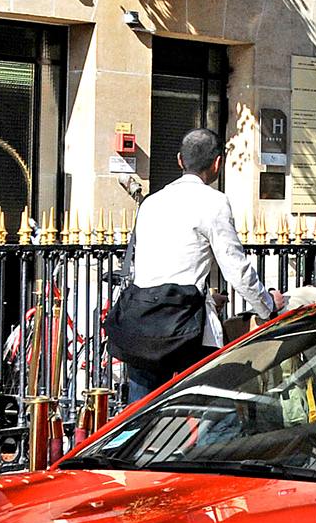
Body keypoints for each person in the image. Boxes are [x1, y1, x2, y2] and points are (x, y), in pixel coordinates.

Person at [107, 129, 275, 402]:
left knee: (138, 414)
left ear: (179, 160)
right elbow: (237, 269)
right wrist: (267, 308)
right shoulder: (214, 202)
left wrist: (207, 298)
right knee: (208, 408)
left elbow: (160, 267)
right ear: (218, 163)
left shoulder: (151, 203)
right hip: (186, 327)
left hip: (143, 323)